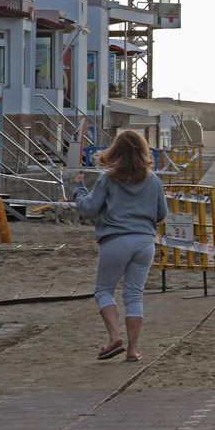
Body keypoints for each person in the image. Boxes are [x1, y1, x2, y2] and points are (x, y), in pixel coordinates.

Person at [73, 130, 168, 362]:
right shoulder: (154, 180)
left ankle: (114, 336)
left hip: (115, 240)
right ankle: (132, 350)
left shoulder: (108, 178)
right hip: (144, 242)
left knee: (104, 290)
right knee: (134, 295)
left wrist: (78, 189)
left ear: (116, 151)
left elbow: (88, 209)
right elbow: (162, 213)